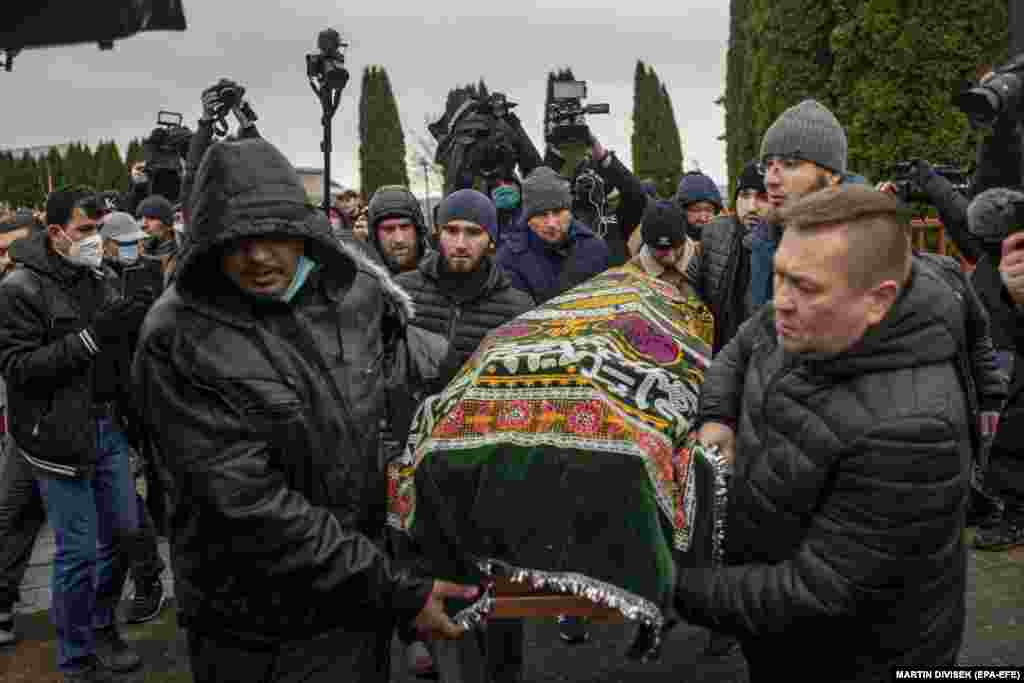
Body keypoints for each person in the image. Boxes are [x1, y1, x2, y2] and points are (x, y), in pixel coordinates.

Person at [132, 137, 476, 683]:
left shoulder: (357, 291)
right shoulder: (178, 337)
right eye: (237, 241)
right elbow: (246, 508)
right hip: (256, 626)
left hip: (358, 602)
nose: (259, 256)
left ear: (303, 229)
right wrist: (398, 590)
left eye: (274, 235)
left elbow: (412, 377)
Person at [676, 185, 974, 681]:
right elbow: (739, 349)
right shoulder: (806, 315)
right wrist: (718, 418)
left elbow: (815, 593)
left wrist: (671, 585)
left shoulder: (914, 431)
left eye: (805, 287)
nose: (781, 304)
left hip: (850, 661)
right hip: (776, 639)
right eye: (778, 278)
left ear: (878, 300)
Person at [0, 190, 153, 682]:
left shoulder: (100, 278)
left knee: (126, 535)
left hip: (107, 427)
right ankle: (76, 658)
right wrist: (90, 338)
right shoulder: (19, 289)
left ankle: (102, 625)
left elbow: (116, 355)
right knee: (77, 553)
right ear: (57, 233)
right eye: (85, 231)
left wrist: (134, 327)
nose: (94, 240)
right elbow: (19, 368)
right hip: (57, 440)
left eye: (97, 230)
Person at [749, 99, 847, 308]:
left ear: (833, 175)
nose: (770, 180)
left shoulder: (870, 251)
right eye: (767, 165)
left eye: (790, 164)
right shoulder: (761, 242)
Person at [0, 211, 46, 647]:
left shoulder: (62, 289)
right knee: (13, 515)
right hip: (22, 427)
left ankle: (145, 578)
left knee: (123, 524)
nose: (5, 260)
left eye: (11, 250)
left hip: (78, 432)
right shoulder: (9, 292)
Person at [685, 161, 772, 354]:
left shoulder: (788, 242)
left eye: (762, 196)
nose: (751, 207)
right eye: (744, 195)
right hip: (718, 353)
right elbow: (690, 288)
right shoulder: (715, 232)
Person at [497, 166, 609, 304]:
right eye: (541, 214)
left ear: (569, 212)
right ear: (528, 219)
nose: (551, 223)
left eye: (557, 212)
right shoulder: (508, 260)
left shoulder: (595, 248)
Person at [367, 185, 432, 275]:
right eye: (388, 229)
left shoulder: (444, 274)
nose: (399, 239)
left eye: (405, 227)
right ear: (375, 236)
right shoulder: (362, 284)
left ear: (418, 230)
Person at [676, 171, 723, 241]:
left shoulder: (727, 243)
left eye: (709, 210)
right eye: (696, 210)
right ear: (682, 211)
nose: (703, 218)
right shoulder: (672, 246)